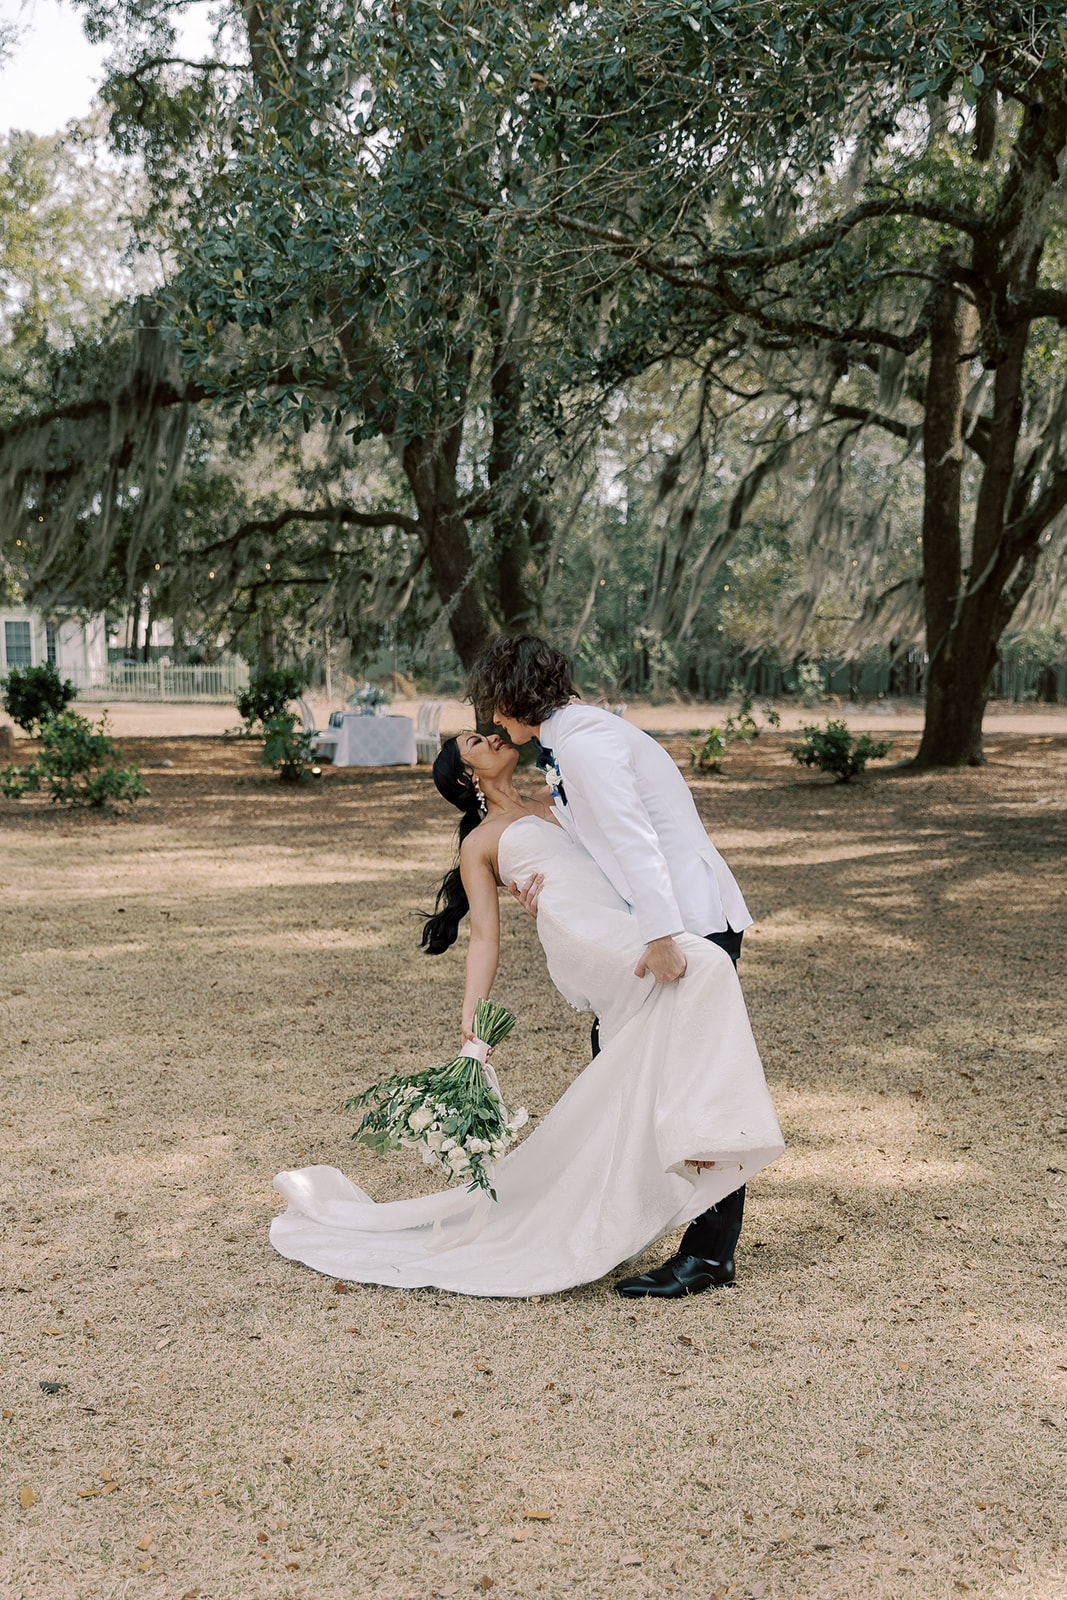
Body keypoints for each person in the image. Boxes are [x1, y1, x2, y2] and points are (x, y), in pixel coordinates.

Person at [268, 723, 783, 1299]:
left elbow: (622, 848)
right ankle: (714, 1189)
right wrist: (472, 1022)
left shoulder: (556, 802)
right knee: (707, 966)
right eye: (475, 742)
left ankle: (670, 1208)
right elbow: (484, 938)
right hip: (581, 932)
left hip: (621, 920)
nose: (491, 738)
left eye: (489, 732)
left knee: (651, 1050)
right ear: (469, 776)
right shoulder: (480, 842)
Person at [468, 634, 759, 1298]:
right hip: (663, 923)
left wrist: (660, 938)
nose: (492, 724)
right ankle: (625, 1224)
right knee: (622, 1064)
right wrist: (539, 871)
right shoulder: (575, 739)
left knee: (689, 1083)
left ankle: (709, 1254)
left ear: (512, 700)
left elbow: (635, 841)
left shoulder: (583, 744)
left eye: (493, 708)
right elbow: (598, 835)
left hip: (685, 926)